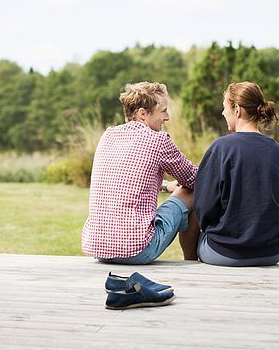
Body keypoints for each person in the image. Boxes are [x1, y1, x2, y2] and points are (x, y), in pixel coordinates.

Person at [82, 82, 199, 264]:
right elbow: (195, 179)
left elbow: (125, 178)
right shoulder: (157, 140)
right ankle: (193, 262)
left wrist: (167, 186)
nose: (167, 117)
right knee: (191, 192)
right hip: (137, 250)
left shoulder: (108, 135)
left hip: (99, 249)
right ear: (143, 114)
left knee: (182, 189)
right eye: (163, 111)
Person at [194, 81, 279, 267]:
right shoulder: (276, 150)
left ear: (237, 109)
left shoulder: (221, 147)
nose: (223, 113)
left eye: (225, 107)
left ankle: (190, 264)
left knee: (188, 203)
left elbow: (203, 205)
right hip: (272, 252)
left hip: (225, 252)